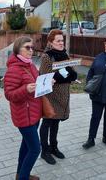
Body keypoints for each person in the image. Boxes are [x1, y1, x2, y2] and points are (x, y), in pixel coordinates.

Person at [4, 37, 41, 180]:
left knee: (26, 145)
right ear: (18, 49)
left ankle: (20, 173)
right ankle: (23, 178)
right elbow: (9, 95)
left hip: (34, 113)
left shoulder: (30, 65)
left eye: (32, 47)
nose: (31, 50)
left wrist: (46, 83)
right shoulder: (14, 69)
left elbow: (36, 84)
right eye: (27, 47)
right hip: (24, 116)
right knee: (35, 149)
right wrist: (25, 89)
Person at [39, 29, 77, 165]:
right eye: (58, 41)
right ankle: (44, 150)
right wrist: (64, 74)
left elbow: (74, 75)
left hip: (63, 96)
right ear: (51, 42)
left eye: (62, 40)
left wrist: (62, 74)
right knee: (47, 122)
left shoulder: (64, 55)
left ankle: (54, 146)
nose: (61, 43)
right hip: (50, 96)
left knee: (56, 122)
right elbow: (44, 78)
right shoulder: (47, 57)